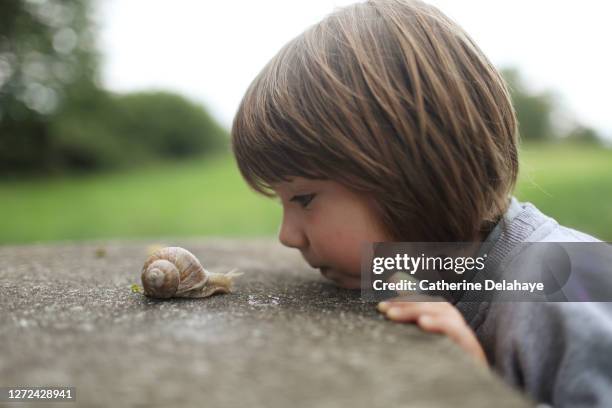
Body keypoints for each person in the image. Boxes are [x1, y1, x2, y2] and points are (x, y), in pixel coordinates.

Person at [230, 0, 612, 405]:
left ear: (409, 170)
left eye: (304, 199)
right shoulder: (425, 269)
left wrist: (479, 388)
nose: (288, 237)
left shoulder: (564, 284)